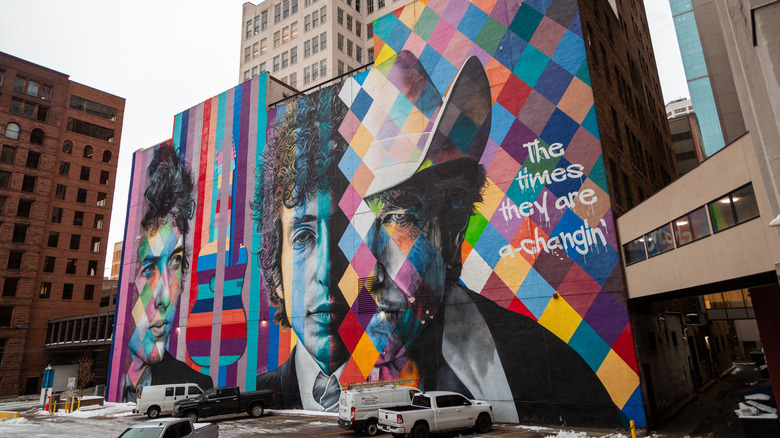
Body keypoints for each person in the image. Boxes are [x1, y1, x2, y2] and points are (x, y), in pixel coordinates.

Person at [337, 51, 624, 427]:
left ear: (455, 225)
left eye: (398, 217)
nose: (372, 265)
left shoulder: (544, 365)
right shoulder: (341, 364)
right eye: (366, 223)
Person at [254, 87, 351, 411]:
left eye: (344, 233)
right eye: (302, 237)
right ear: (275, 273)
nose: (326, 270)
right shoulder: (259, 394)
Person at [123, 143, 213, 402]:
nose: (164, 298)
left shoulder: (197, 387)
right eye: (149, 268)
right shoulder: (118, 386)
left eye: (174, 263)